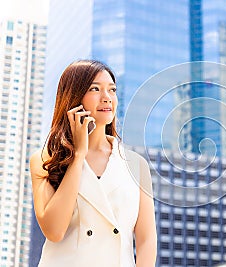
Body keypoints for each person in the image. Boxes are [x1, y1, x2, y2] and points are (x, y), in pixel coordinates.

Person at [29, 60, 157, 267]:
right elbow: (54, 230)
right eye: (95, 89)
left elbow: (146, 240)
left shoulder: (136, 164)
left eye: (112, 90)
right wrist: (78, 156)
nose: (107, 98)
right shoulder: (46, 159)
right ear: (74, 97)